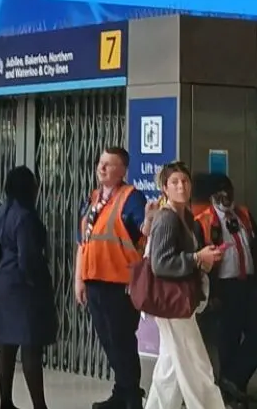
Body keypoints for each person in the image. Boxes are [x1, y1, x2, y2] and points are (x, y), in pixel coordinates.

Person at [144, 162, 225, 409]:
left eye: (185, 181)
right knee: (197, 366)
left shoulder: (184, 217)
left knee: (169, 368)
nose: (181, 186)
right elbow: (161, 263)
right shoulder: (167, 219)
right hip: (173, 302)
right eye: (175, 182)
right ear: (165, 188)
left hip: (174, 301)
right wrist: (198, 258)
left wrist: (202, 260)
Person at [191, 173, 257, 405]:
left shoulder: (244, 215)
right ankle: (231, 393)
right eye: (220, 192)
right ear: (212, 196)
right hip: (224, 289)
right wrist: (210, 294)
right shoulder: (203, 221)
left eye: (228, 190)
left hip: (250, 285)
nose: (226, 196)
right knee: (228, 339)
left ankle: (232, 381)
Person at [77, 146, 147, 409]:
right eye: (100, 162)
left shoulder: (131, 197)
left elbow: (144, 230)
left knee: (122, 340)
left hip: (120, 284)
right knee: (107, 339)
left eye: (109, 164)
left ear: (123, 170)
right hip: (95, 280)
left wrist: (149, 221)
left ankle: (131, 397)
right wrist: (78, 279)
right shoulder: (93, 199)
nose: (102, 167)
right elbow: (82, 242)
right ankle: (122, 391)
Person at [0, 166, 57, 409]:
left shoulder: (1, 212)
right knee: (30, 345)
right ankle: (40, 405)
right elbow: (28, 257)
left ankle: (5, 401)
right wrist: (38, 283)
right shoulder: (26, 216)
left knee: (6, 344)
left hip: (2, 283)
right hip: (23, 288)